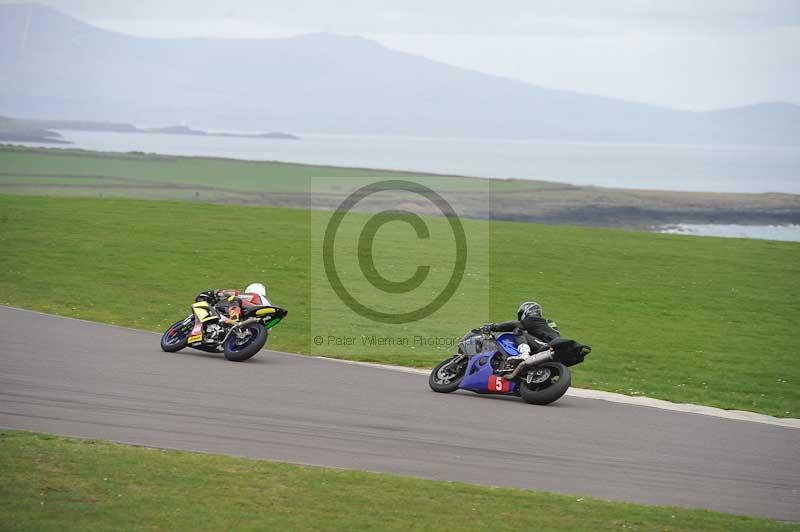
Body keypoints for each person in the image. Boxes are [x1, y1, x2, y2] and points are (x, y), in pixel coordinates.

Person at [476, 301, 560, 371]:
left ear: (527, 311)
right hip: (551, 349)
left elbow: (515, 324)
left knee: (518, 330)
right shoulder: (544, 324)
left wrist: (493, 326)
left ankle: (524, 353)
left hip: (546, 346)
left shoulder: (534, 319)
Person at [196, 283, 271, 325]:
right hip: (259, 318)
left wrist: (218, 293)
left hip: (254, 309)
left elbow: (236, 294)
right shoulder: (267, 301)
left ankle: (233, 318)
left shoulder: (255, 295)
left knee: (234, 299)